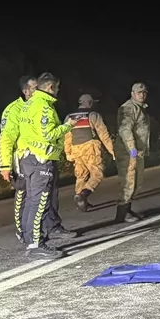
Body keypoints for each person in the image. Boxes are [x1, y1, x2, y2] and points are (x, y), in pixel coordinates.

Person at [14, 72, 77, 259]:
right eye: (56, 88)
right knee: (39, 202)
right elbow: (49, 134)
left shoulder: (29, 104)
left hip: (27, 158)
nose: (57, 91)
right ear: (50, 87)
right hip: (40, 159)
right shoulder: (45, 107)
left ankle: (29, 240)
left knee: (31, 201)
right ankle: (36, 245)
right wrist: (68, 125)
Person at [0, 74, 37, 239]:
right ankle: (21, 230)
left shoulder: (39, 106)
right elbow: (6, 139)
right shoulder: (14, 110)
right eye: (35, 88)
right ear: (26, 90)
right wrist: (5, 166)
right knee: (22, 193)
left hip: (38, 159)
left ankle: (38, 230)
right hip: (20, 159)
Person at [62, 94, 116, 210]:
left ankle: (81, 201)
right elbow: (103, 135)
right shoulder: (93, 115)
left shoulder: (69, 117)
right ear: (90, 103)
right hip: (90, 148)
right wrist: (113, 151)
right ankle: (83, 194)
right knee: (97, 174)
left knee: (81, 176)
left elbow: (67, 137)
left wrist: (68, 153)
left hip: (76, 150)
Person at [115, 82, 151, 223]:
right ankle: (121, 214)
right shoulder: (129, 108)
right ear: (132, 94)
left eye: (144, 92)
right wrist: (132, 149)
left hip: (138, 152)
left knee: (137, 182)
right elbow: (125, 129)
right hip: (128, 152)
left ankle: (127, 209)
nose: (142, 95)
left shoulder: (140, 108)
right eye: (139, 92)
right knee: (128, 182)